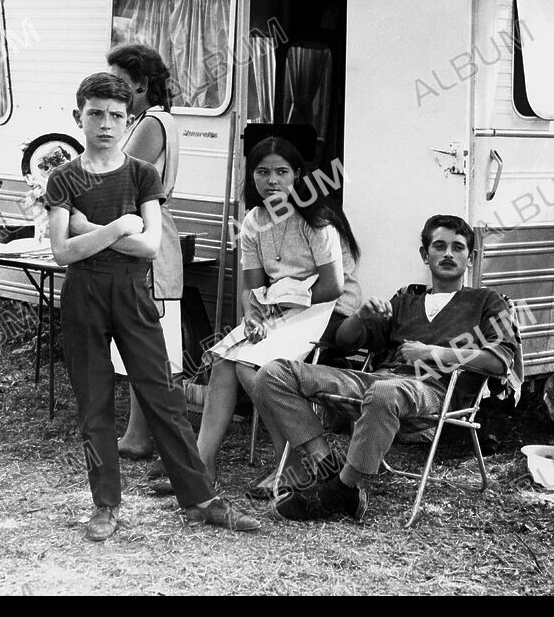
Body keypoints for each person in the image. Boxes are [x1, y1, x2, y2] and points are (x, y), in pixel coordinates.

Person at [45, 72, 259, 540]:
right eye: (95, 113)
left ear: (129, 120)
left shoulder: (143, 174)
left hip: (132, 292)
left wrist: (90, 229)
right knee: (94, 403)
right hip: (83, 295)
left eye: (116, 115)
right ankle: (105, 504)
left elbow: (149, 245)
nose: (105, 124)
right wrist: (118, 227)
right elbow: (61, 252)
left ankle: (200, 498)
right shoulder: (64, 177)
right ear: (78, 116)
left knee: (163, 396)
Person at [254, 214, 521, 521]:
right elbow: (344, 341)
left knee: (384, 392)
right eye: (439, 246)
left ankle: (334, 495)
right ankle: (330, 471)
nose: (449, 253)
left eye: (458, 247)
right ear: (425, 254)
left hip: (433, 390)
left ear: (470, 258)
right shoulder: (407, 299)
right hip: (378, 381)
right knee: (272, 374)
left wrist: (433, 352)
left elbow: (499, 362)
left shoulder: (486, 302)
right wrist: (360, 317)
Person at [166, 136, 361, 497]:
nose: (272, 180)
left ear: (297, 174)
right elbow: (251, 287)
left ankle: (291, 463)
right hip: (281, 310)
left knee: (250, 365)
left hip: (327, 310)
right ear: (252, 176)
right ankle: (202, 466)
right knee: (225, 359)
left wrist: (279, 303)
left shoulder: (317, 219)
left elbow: (333, 286)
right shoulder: (253, 221)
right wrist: (253, 315)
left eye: (281, 172)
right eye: (262, 172)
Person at [70, 44, 182, 461]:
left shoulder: (153, 122)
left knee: (152, 344)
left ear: (141, 83)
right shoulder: (148, 120)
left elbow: (117, 176)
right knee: (140, 342)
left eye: (119, 80)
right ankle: (139, 434)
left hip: (148, 232)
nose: (112, 86)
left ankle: (155, 439)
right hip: (136, 227)